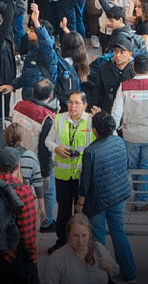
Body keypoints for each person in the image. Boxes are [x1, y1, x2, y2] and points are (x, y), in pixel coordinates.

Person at [76, 111, 136, 283]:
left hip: (98, 201)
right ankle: (130, 274)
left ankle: (100, 276)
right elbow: (126, 165)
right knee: (118, 232)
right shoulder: (120, 141)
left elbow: (85, 183)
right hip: (119, 196)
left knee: (97, 239)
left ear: (94, 130)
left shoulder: (90, 151)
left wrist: (80, 204)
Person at [111, 54, 148, 212]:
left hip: (130, 134)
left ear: (133, 68)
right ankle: (140, 201)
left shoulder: (124, 86)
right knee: (147, 167)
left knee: (134, 166)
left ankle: (138, 191)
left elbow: (116, 112)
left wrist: (114, 131)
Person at [0, 147, 40, 282]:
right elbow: (27, 234)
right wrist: (32, 256)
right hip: (14, 259)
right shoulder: (24, 192)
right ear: (17, 167)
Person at [47, 89, 94, 249]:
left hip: (82, 176)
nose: (72, 106)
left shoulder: (91, 121)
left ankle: (83, 244)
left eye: (77, 103)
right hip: (63, 174)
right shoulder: (59, 119)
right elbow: (48, 140)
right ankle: (62, 242)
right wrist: (56, 148)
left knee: (81, 211)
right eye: (70, 102)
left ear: (85, 105)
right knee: (63, 212)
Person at [40, 214, 120, 284]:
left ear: (89, 234)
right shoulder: (57, 259)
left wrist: (109, 268)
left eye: (84, 235)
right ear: (68, 235)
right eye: (76, 236)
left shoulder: (99, 249)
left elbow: (115, 270)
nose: (80, 241)